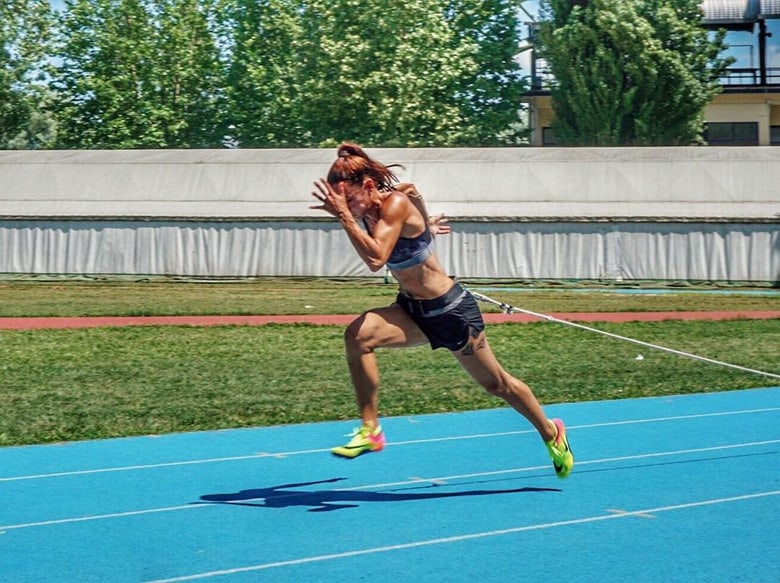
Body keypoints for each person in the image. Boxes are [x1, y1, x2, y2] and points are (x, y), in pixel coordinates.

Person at [310, 143, 574, 478]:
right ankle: (370, 429)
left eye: (349, 200)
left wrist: (355, 218)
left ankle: (552, 432)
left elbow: (376, 258)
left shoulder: (393, 204)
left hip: (451, 312)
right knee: (358, 336)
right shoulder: (372, 213)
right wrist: (423, 229)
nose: (346, 208)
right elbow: (409, 204)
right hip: (411, 311)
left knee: (497, 385)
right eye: (340, 202)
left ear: (368, 186)